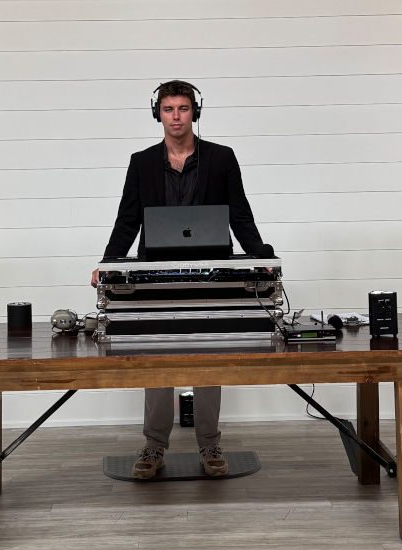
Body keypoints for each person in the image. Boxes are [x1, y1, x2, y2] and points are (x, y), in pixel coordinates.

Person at [91, 80, 269, 479]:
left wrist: (261, 256)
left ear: (195, 112)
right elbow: (127, 219)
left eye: (183, 109)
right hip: (156, 273)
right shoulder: (142, 162)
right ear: (158, 114)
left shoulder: (221, 158)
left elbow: (239, 214)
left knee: (210, 355)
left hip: (211, 272)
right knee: (155, 357)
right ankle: (154, 446)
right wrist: (108, 263)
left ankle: (209, 444)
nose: (176, 117)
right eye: (169, 109)